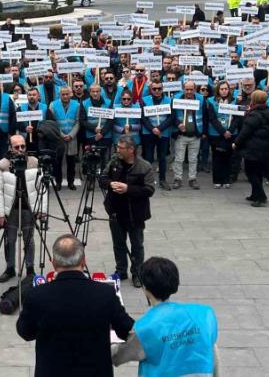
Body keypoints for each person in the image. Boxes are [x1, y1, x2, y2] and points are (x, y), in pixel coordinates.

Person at [16, 234, 134, 377]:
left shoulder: (37, 296)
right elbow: (127, 329)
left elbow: (25, 332)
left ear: (54, 263)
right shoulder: (105, 293)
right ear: (83, 261)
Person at [112, 256, 220, 376]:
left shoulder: (144, 328)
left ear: (145, 288)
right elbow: (213, 355)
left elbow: (118, 356)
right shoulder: (205, 315)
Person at [99, 135, 155, 287]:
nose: (117, 150)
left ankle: (137, 273)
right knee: (118, 243)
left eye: (120, 148)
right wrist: (111, 184)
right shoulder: (114, 162)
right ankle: (121, 270)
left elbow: (149, 190)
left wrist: (128, 189)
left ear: (131, 150)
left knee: (137, 244)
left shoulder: (144, 166)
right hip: (116, 211)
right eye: (117, 147)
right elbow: (102, 178)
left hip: (135, 213)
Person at [0, 134, 46, 283]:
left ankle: (30, 269)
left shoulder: (34, 162)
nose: (20, 150)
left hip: (29, 208)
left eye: (23, 146)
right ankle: (10, 268)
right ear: (10, 147)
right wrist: (0, 213)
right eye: (17, 147)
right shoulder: (2, 165)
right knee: (10, 240)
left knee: (29, 240)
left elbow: (43, 187)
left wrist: (43, 210)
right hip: (11, 209)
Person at [233, 90, 269, 207]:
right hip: (265, 146)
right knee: (258, 172)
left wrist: (236, 143)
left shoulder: (254, 115)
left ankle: (261, 197)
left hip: (253, 147)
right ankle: (254, 194)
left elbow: (245, 132)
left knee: (251, 172)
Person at [171, 81, 205, 190]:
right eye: (187, 89)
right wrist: (178, 124)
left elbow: (205, 115)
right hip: (181, 134)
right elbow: (172, 115)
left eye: (191, 89)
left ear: (195, 89)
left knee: (193, 159)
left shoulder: (200, 99)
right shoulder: (176, 98)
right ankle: (177, 179)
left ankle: (192, 179)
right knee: (179, 158)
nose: (189, 91)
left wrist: (203, 132)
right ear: (183, 89)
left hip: (195, 134)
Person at [141, 81, 173, 190]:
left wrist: (159, 129)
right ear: (151, 90)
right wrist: (153, 129)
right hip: (148, 133)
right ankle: (147, 180)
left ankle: (162, 180)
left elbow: (171, 117)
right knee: (148, 158)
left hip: (163, 133)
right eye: (154, 89)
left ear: (162, 89)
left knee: (162, 158)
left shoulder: (169, 100)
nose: (157, 91)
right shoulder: (145, 100)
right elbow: (143, 118)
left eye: (159, 88)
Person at [49, 87, 81, 190]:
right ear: (60, 95)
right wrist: (61, 135)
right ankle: (58, 182)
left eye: (67, 94)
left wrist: (71, 135)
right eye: (63, 94)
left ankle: (70, 182)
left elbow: (77, 122)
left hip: (72, 137)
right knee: (57, 162)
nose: (65, 96)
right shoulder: (53, 105)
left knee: (71, 162)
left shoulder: (77, 105)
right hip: (59, 137)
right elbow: (52, 122)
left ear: (71, 94)